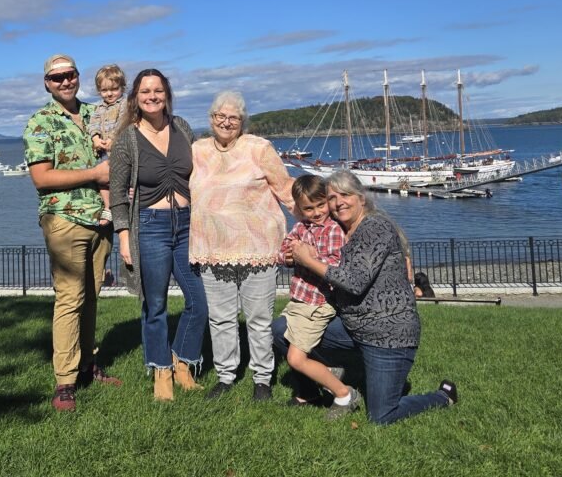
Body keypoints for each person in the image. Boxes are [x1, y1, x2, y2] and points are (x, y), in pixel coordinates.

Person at [285, 169, 458, 423]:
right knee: (283, 330)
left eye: (345, 195)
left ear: (361, 198)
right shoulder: (337, 230)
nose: (338, 202)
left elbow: (354, 282)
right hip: (350, 326)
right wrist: (293, 256)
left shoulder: (375, 227)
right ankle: (316, 388)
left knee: (381, 415)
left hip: (387, 334)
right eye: (332, 197)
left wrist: (308, 261)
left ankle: (443, 396)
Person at [24, 54, 120, 413]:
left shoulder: (98, 114)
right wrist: (94, 175)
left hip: (100, 220)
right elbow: (42, 178)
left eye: (71, 75)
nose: (65, 81)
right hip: (64, 219)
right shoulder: (40, 122)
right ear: (47, 83)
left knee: (92, 296)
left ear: (79, 77)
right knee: (69, 298)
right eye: (57, 77)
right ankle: (65, 381)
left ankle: (87, 366)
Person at [189, 91, 294, 401]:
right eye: (220, 116)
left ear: (242, 122)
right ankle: (225, 375)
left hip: (257, 247)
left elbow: (285, 187)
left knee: (259, 318)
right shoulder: (197, 150)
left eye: (233, 117)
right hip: (211, 248)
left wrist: (316, 222)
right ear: (211, 120)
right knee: (220, 318)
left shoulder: (259, 148)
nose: (226, 122)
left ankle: (262, 378)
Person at [109, 68, 207, 401]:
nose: (153, 96)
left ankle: (181, 360)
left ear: (167, 94)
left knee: (198, 303)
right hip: (149, 227)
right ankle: (160, 370)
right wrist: (124, 237)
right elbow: (118, 193)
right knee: (156, 305)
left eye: (159, 90)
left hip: (187, 225)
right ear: (135, 97)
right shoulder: (127, 139)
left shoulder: (182, 128)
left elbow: (202, 174)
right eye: (146, 91)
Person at [277, 174, 352, 409]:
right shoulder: (301, 227)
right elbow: (282, 251)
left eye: (321, 205)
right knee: (283, 338)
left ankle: (344, 394)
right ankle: (327, 374)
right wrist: (289, 257)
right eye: (309, 208)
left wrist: (308, 256)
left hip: (317, 303)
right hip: (300, 299)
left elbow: (335, 264)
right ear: (299, 208)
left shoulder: (333, 230)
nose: (317, 212)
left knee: (295, 358)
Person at [88, 64, 128, 224]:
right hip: (102, 150)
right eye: (104, 91)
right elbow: (93, 123)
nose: (109, 94)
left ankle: (124, 204)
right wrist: (95, 138)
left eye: (114, 89)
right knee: (102, 180)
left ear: (122, 87)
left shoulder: (124, 104)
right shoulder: (98, 107)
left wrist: (112, 138)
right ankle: (108, 207)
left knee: (122, 177)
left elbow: (123, 122)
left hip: (119, 148)